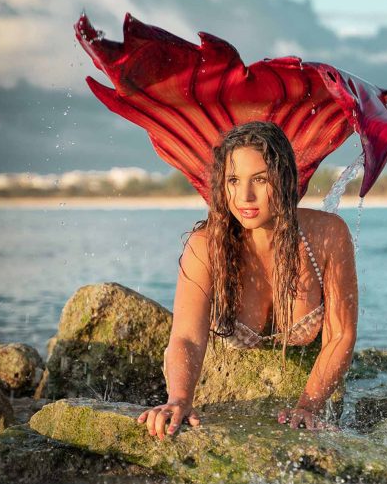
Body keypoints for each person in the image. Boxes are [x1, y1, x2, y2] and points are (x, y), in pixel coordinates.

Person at [138, 120, 358, 440]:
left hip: (315, 385)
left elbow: (341, 335)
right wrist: (179, 400)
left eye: (259, 179)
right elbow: (186, 336)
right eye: (233, 180)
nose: (245, 196)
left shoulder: (327, 235)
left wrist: (308, 406)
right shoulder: (206, 245)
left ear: (283, 179)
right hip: (225, 389)